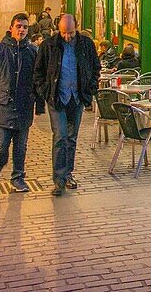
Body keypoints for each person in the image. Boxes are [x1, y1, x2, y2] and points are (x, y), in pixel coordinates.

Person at [33, 13, 100, 196]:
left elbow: (96, 67)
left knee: (71, 138)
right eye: (63, 33)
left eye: (70, 32)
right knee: (61, 136)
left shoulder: (86, 45)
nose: (67, 36)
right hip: (57, 98)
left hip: (76, 98)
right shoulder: (49, 45)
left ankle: (68, 174)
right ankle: (59, 179)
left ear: (76, 28)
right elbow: (38, 71)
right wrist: (46, 92)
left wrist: (90, 88)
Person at [0, 13, 40, 192]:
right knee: (1, 145)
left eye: (25, 27)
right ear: (11, 28)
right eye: (18, 26)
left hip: (23, 107)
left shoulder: (32, 51)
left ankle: (18, 177)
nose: (21, 30)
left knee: (21, 147)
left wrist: (40, 104)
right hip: (2, 107)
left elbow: (38, 80)